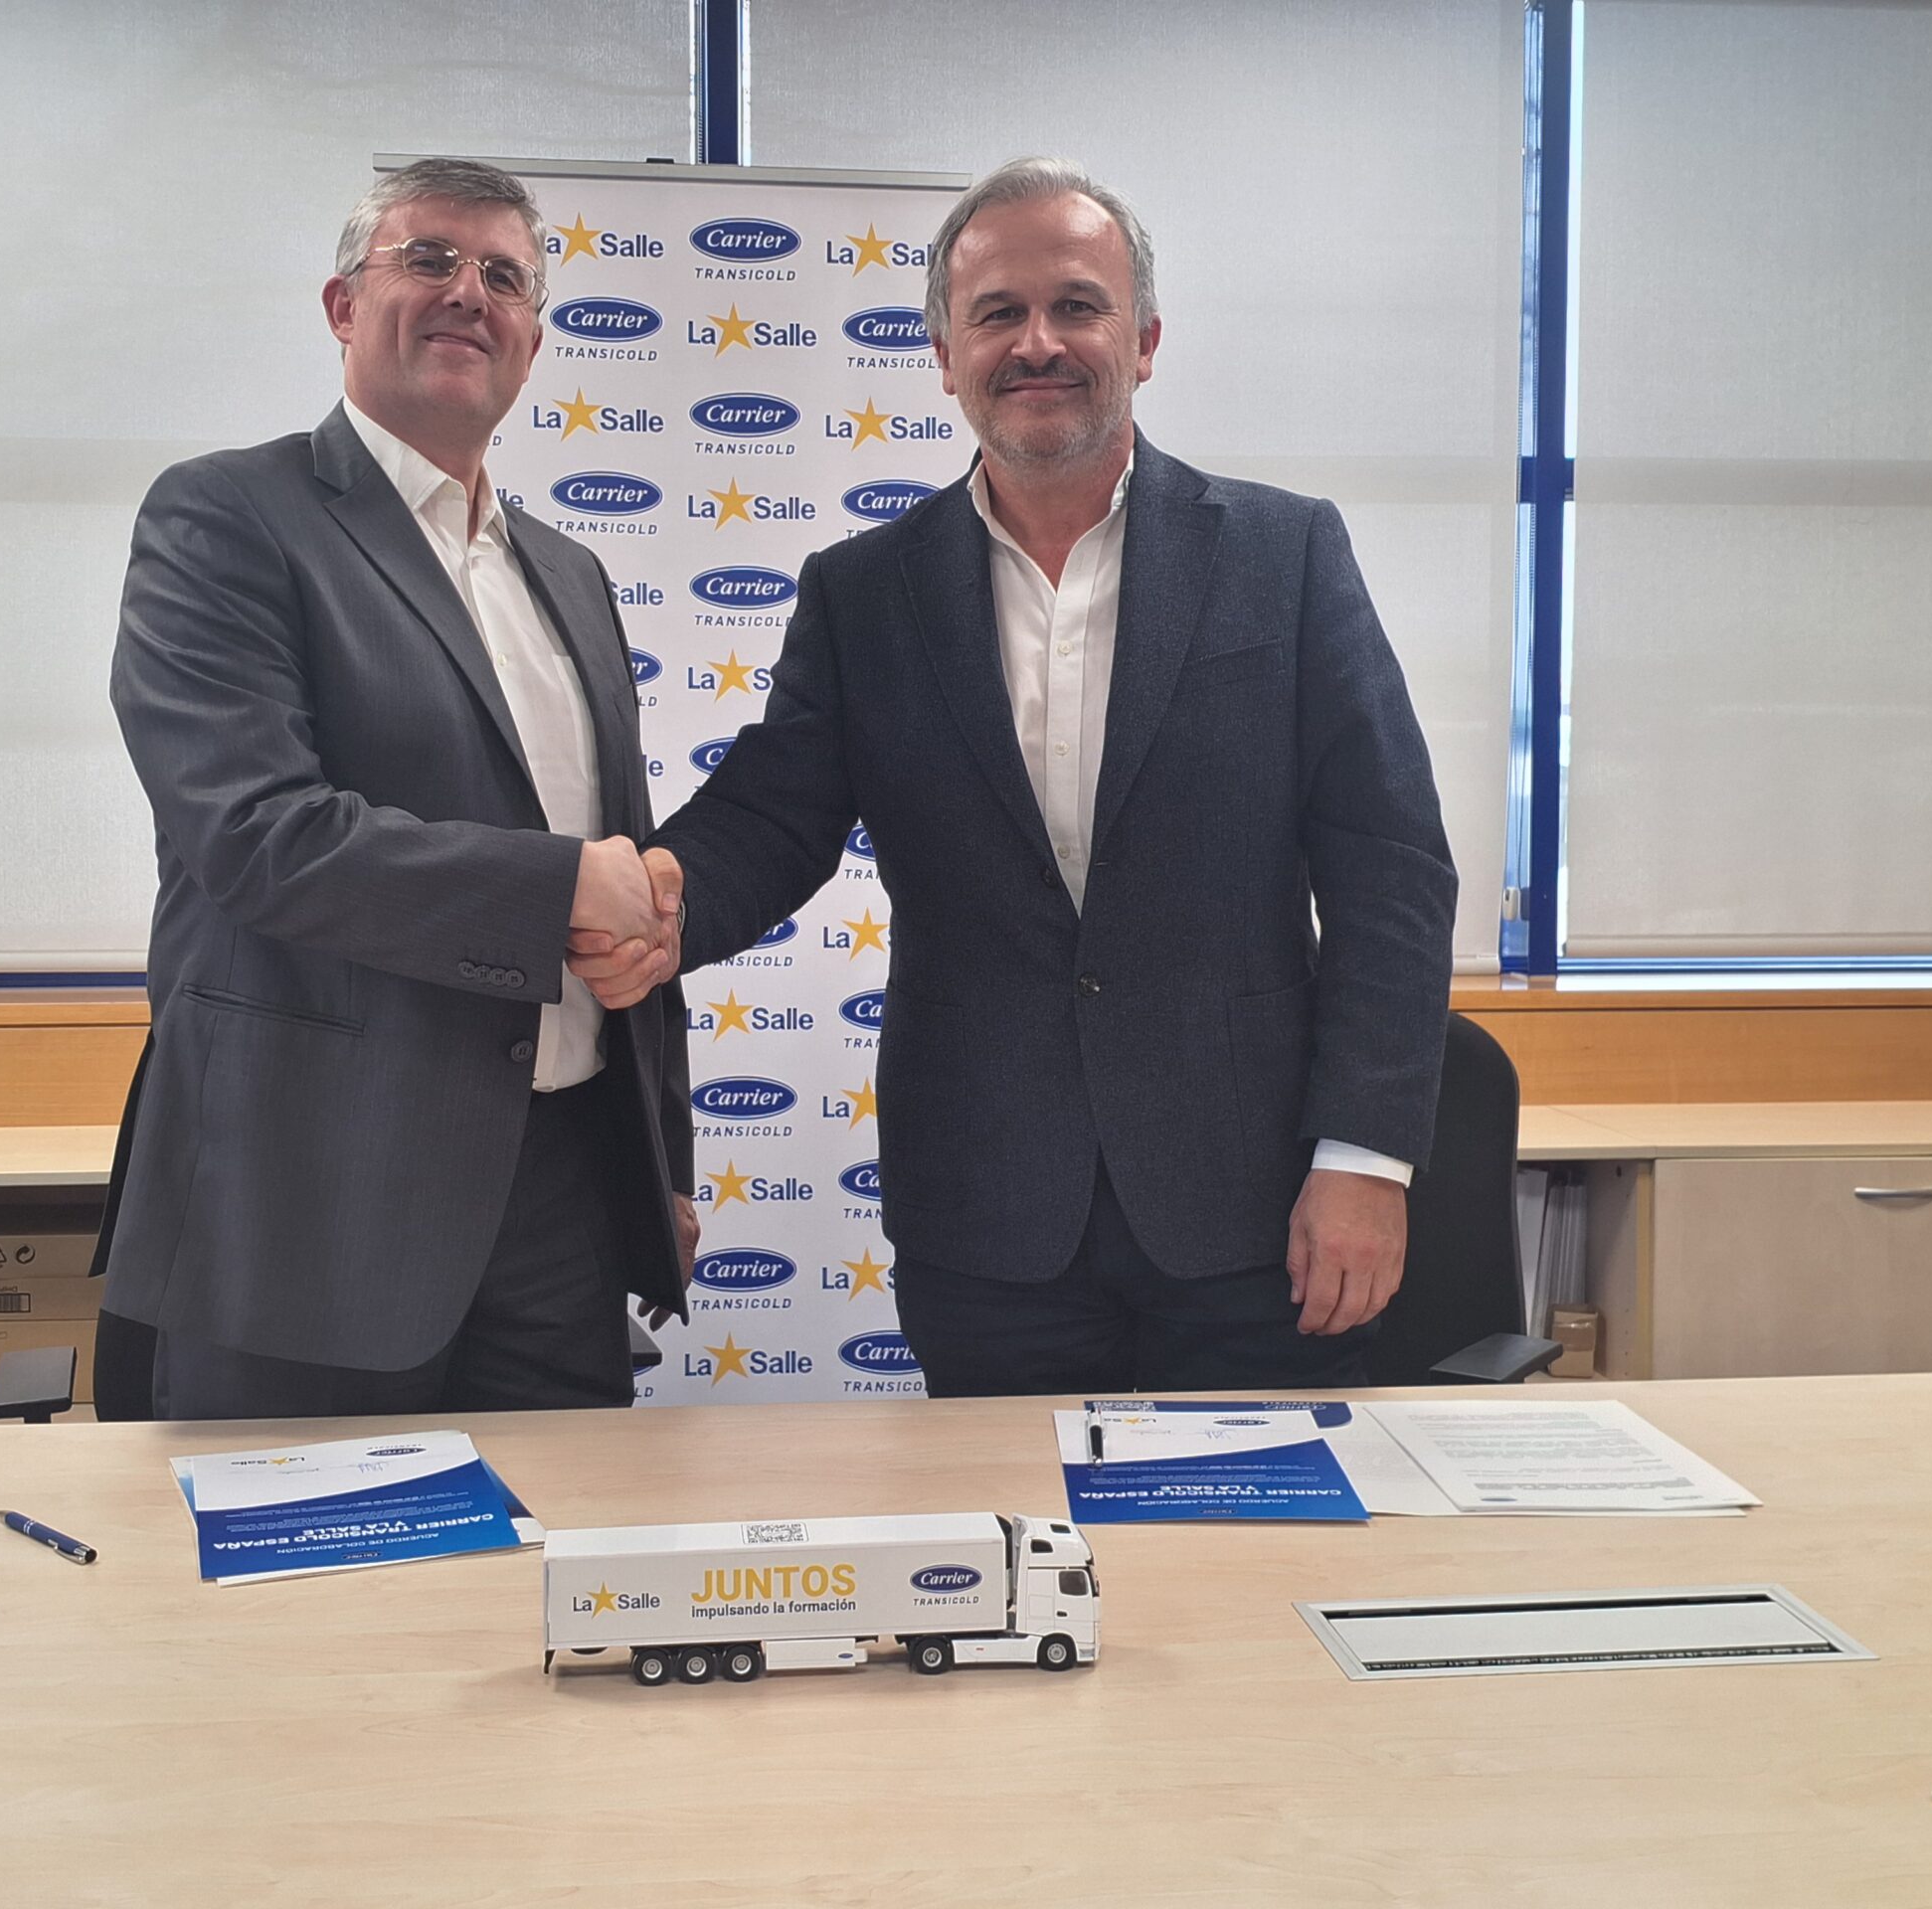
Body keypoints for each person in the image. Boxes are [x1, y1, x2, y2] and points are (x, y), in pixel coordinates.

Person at [576, 157, 1456, 1398]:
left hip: (1258, 1206)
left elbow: (1390, 871)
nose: (1037, 342)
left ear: (1143, 341)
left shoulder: (1284, 553)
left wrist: (1363, 1158)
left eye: (1076, 306)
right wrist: (658, 897)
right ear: (945, 354)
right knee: (1007, 1525)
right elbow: (773, 816)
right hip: (984, 1214)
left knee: (1255, 1523)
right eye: (997, 313)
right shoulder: (864, 591)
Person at [103, 156, 695, 1420]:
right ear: (342, 305)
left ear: (533, 339)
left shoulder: (571, 575)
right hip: (314, 1200)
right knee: (313, 1555)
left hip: (564, 1201)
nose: (468, 293)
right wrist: (560, 891)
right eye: (428, 259)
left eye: (505, 277)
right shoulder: (228, 517)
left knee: (560, 1547)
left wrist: (662, 1163)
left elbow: (625, 877)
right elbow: (256, 835)